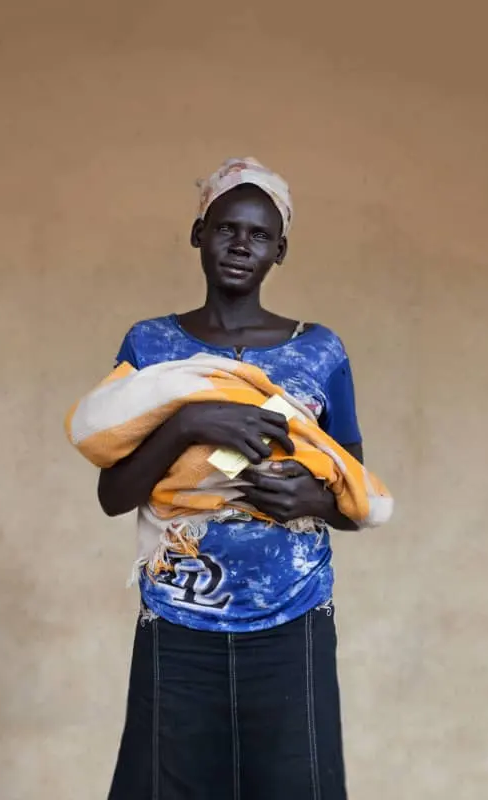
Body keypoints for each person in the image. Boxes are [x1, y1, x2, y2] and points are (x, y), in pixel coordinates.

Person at [99, 158, 367, 799]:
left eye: (258, 234)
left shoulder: (318, 349)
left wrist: (315, 498)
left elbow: (355, 487)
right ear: (199, 235)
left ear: (281, 250)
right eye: (226, 228)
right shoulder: (151, 346)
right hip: (179, 614)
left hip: (293, 617)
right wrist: (189, 423)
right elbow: (114, 494)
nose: (241, 244)